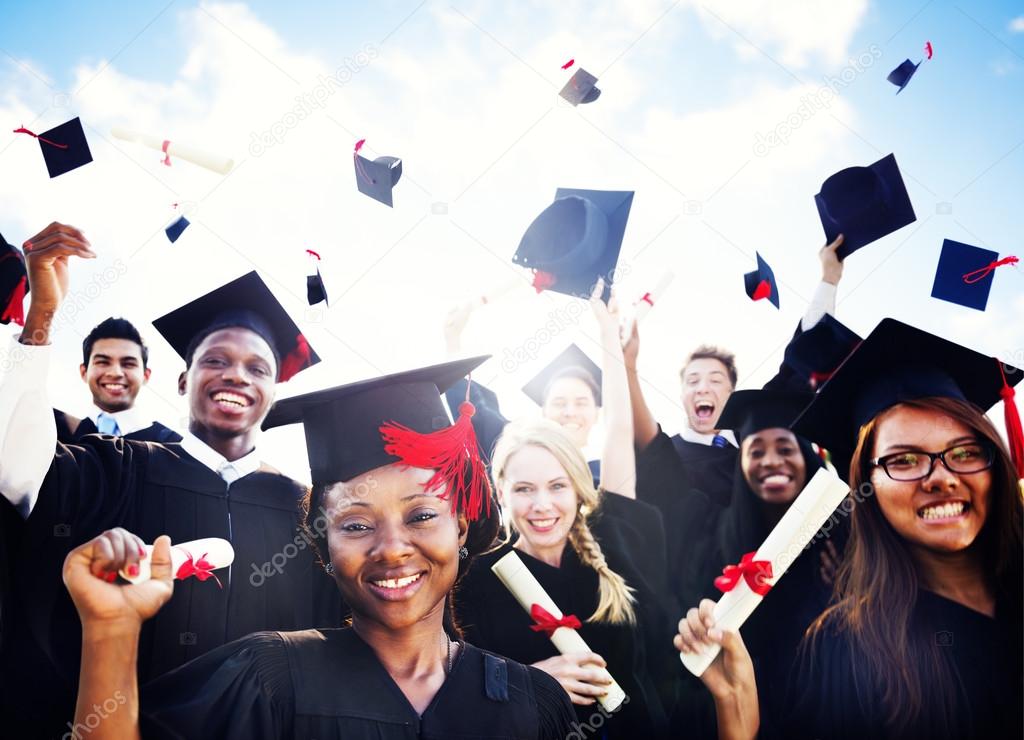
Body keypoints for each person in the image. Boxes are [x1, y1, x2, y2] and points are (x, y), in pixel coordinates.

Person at [62, 357, 577, 739]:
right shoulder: (267, 678)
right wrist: (111, 631)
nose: (392, 548)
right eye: (356, 525)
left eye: (421, 515)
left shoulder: (536, 705)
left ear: (461, 526)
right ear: (322, 543)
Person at [0, 223, 339, 737]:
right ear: (184, 380)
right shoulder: (113, 467)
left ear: (272, 393)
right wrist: (42, 314)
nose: (236, 375)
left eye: (257, 368)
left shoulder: (304, 510)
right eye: (216, 360)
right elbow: (13, 468)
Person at [679, 319, 1024, 740]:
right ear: (866, 486)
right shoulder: (843, 650)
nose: (940, 477)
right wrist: (738, 717)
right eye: (903, 460)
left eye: (965, 452)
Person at [455, 283, 676, 738]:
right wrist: (530, 683)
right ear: (500, 491)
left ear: (580, 490)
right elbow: (456, 696)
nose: (541, 505)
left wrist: (608, 335)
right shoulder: (475, 582)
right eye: (523, 489)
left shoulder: (614, 545)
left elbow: (618, 432)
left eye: (558, 487)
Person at [625, 234, 847, 507]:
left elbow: (800, 362)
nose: (703, 387)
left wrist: (829, 280)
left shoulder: (762, 427)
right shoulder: (668, 457)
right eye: (692, 381)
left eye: (715, 379)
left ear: (731, 392)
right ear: (682, 395)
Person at [442, 298, 606, 479]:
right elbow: (477, 414)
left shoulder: (608, 476)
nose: (569, 412)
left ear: (597, 413)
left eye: (581, 403)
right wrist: (453, 342)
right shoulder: (515, 450)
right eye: (559, 403)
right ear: (544, 412)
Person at [53, 316, 181, 443]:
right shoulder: (55, 433)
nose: (115, 373)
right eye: (103, 362)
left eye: (128, 364)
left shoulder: (171, 445)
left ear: (145, 375)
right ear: (84, 372)